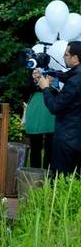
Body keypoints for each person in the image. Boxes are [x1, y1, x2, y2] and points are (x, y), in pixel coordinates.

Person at [36, 41, 81, 175]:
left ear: (75, 58)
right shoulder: (75, 76)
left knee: (61, 178)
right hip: (76, 138)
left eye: (66, 55)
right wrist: (50, 77)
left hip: (68, 139)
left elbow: (55, 107)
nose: (63, 57)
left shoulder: (74, 82)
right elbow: (66, 77)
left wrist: (45, 88)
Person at [23, 89, 55, 170]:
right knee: (35, 147)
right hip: (35, 104)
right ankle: (35, 174)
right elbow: (26, 88)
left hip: (52, 103)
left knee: (50, 147)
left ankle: (48, 175)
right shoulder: (32, 81)